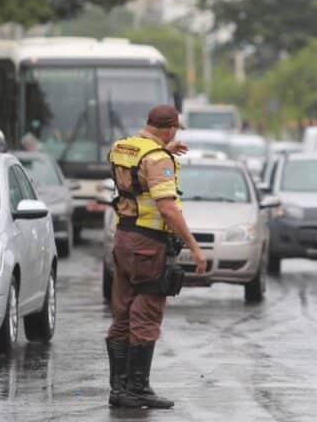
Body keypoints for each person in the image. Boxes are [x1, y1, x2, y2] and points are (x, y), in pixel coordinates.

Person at [105, 104, 205, 410]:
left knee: (122, 314)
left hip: (123, 238)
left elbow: (138, 169)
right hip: (149, 244)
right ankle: (137, 389)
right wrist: (194, 246)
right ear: (171, 128)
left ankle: (119, 389)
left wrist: (164, 150)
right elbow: (166, 207)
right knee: (146, 314)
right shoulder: (157, 158)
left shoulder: (122, 147)